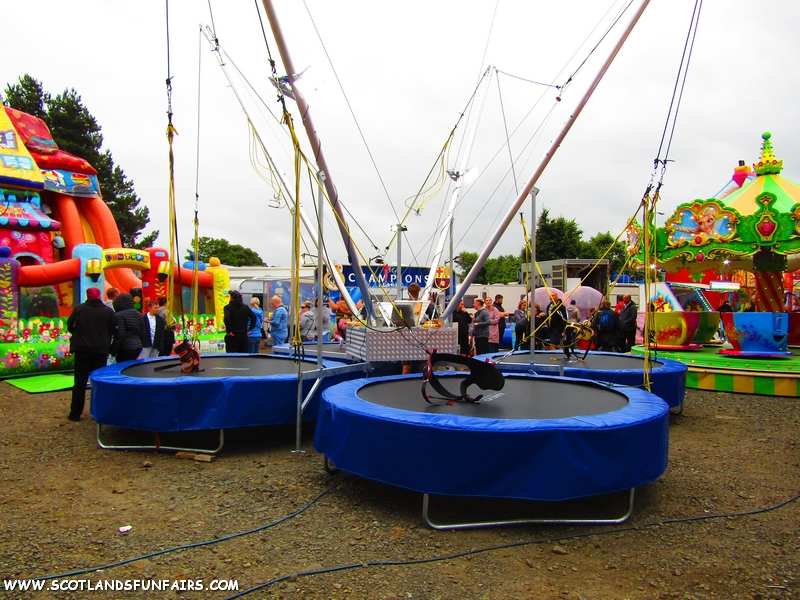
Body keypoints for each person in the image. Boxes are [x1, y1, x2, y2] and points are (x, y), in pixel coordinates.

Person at [66, 287, 114, 421]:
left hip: (82, 349)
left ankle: (75, 414)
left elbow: (70, 325)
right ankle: (98, 412)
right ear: (99, 296)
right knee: (98, 382)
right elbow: (112, 329)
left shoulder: (79, 309)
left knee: (79, 383)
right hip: (100, 350)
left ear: (87, 296)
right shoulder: (108, 311)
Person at [111, 293, 144, 363]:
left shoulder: (119, 315)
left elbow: (120, 334)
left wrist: (113, 350)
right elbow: (143, 332)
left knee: (122, 368)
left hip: (125, 347)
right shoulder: (139, 314)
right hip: (138, 346)